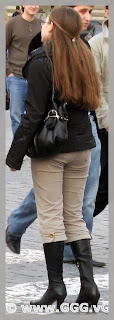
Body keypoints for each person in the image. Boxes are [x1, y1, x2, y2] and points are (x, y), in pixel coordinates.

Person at [6, 6, 100, 308]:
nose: (43, 25)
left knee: (51, 217)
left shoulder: (41, 62)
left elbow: (32, 115)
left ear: (55, 28)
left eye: (47, 23)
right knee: (74, 215)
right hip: (83, 144)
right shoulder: (84, 54)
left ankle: (56, 288)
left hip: (52, 148)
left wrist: (14, 155)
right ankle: (89, 288)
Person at [6, 5, 41, 136]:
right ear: (23, 5)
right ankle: (18, 151)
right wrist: (8, 72)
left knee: (37, 115)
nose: (33, 6)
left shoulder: (42, 24)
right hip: (16, 77)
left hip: (37, 78)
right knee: (17, 117)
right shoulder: (12, 23)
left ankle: (34, 148)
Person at [89, 6, 109, 217]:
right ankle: (77, 229)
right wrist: (105, 118)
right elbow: (97, 85)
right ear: (107, 12)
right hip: (107, 122)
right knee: (104, 183)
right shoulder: (96, 43)